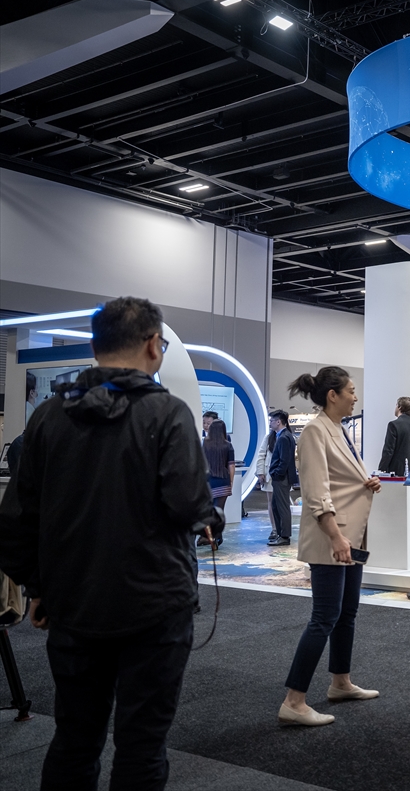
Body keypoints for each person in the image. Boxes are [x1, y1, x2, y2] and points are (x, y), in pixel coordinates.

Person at [0, 296, 221, 790]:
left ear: (97, 347)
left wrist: (39, 587)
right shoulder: (168, 414)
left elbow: (14, 522)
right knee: (142, 747)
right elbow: (189, 505)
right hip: (156, 608)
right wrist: (212, 519)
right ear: (153, 345)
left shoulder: (48, 418)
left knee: (74, 740)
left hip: (73, 606)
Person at [280, 366, 382, 726]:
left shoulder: (339, 429)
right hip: (331, 538)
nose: (356, 396)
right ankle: (294, 701)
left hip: (350, 535)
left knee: (346, 614)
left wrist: (365, 482)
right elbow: (315, 492)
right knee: (324, 617)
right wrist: (336, 537)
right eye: (351, 391)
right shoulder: (314, 432)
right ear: (332, 395)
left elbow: (339, 480)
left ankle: (341, 682)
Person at [200, 418, 235, 548]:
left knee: (208, 512)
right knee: (219, 512)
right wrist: (231, 482)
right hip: (223, 482)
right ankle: (217, 537)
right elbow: (231, 466)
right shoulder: (228, 445)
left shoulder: (204, 443)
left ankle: (208, 537)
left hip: (208, 482)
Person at [268, 410, 298, 546]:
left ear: (278, 422)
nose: (270, 423)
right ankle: (281, 535)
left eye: (272, 421)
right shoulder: (284, 436)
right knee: (276, 506)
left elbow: (284, 460)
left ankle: (284, 536)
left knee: (282, 507)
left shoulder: (284, 437)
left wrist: (277, 473)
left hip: (282, 478)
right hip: (280, 478)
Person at [378, 396, 410, 477]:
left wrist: (381, 471)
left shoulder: (393, 425)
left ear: (399, 407)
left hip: (397, 473)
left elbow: (388, 450)